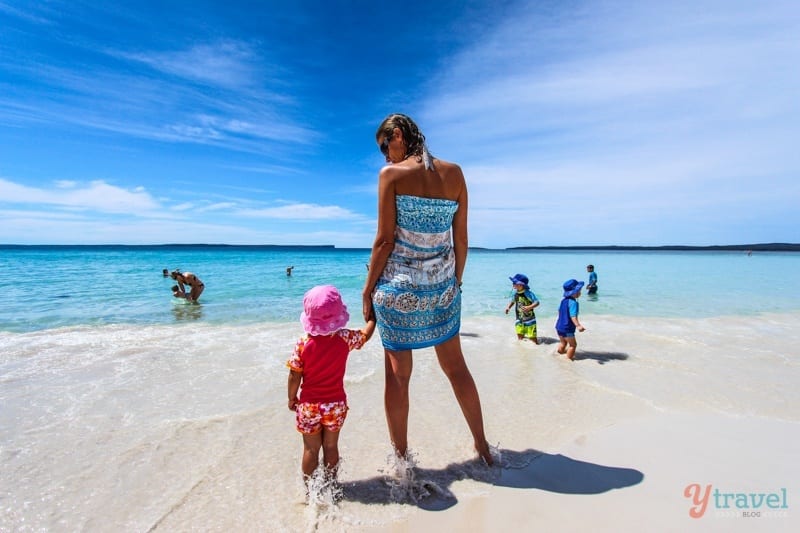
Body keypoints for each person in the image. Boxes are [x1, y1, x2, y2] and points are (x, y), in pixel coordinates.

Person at [361, 113, 493, 465]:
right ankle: (483, 448)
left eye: (384, 146)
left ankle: (402, 462)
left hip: (399, 290)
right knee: (457, 369)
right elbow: (461, 239)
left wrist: (366, 290)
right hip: (443, 289)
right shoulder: (456, 173)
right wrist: (455, 281)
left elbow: (384, 240)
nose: (384, 156)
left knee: (398, 378)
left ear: (398, 135)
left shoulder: (391, 175)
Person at [287, 285, 376, 487]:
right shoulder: (344, 338)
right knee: (331, 446)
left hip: (309, 406)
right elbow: (364, 335)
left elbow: (294, 374)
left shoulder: (303, 344)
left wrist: (292, 398)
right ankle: (331, 485)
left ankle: (310, 491)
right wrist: (373, 319)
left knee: (310, 450)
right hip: (335, 405)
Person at [555, 279, 586, 361]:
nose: (580, 293)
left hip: (559, 326)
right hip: (568, 328)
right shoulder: (573, 303)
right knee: (573, 345)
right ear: (574, 292)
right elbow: (573, 316)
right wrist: (578, 325)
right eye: (579, 291)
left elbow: (559, 311)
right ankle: (567, 362)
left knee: (563, 343)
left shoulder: (563, 301)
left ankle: (558, 355)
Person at [504, 273, 540, 343]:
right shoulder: (515, 293)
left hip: (530, 319)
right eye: (513, 283)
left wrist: (529, 307)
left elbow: (537, 302)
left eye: (515, 283)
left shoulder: (528, 293)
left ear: (521, 285)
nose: (513, 284)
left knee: (532, 338)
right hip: (519, 318)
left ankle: (536, 348)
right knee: (520, 336)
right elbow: (513, 301)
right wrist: (508, 307)